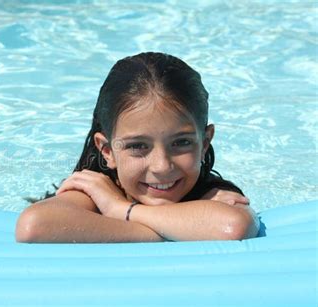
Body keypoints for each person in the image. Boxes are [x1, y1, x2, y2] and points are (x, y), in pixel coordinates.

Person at [16, 52, 259, 243]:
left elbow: (233, 226)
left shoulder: (212, 194)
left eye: (181, 142)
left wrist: (120, 209)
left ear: (205, 143)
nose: (162, 166)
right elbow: (33, 226)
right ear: (107, 151)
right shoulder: (97, 190)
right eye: (138, 146)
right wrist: (173, 232)